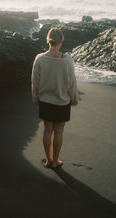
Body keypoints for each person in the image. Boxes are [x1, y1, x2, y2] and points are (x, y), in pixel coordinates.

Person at [31, 27, 79, 168]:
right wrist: (74, 98)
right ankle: (55, 161)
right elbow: (72, 83)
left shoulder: (39, 59)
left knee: (47, 130)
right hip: (62, 102)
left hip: (45, 101)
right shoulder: (67, 60)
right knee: (58, 131)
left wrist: (35, 98)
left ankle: (48, 159)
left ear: (48, 40)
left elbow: (35, 82)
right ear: (61, 42)